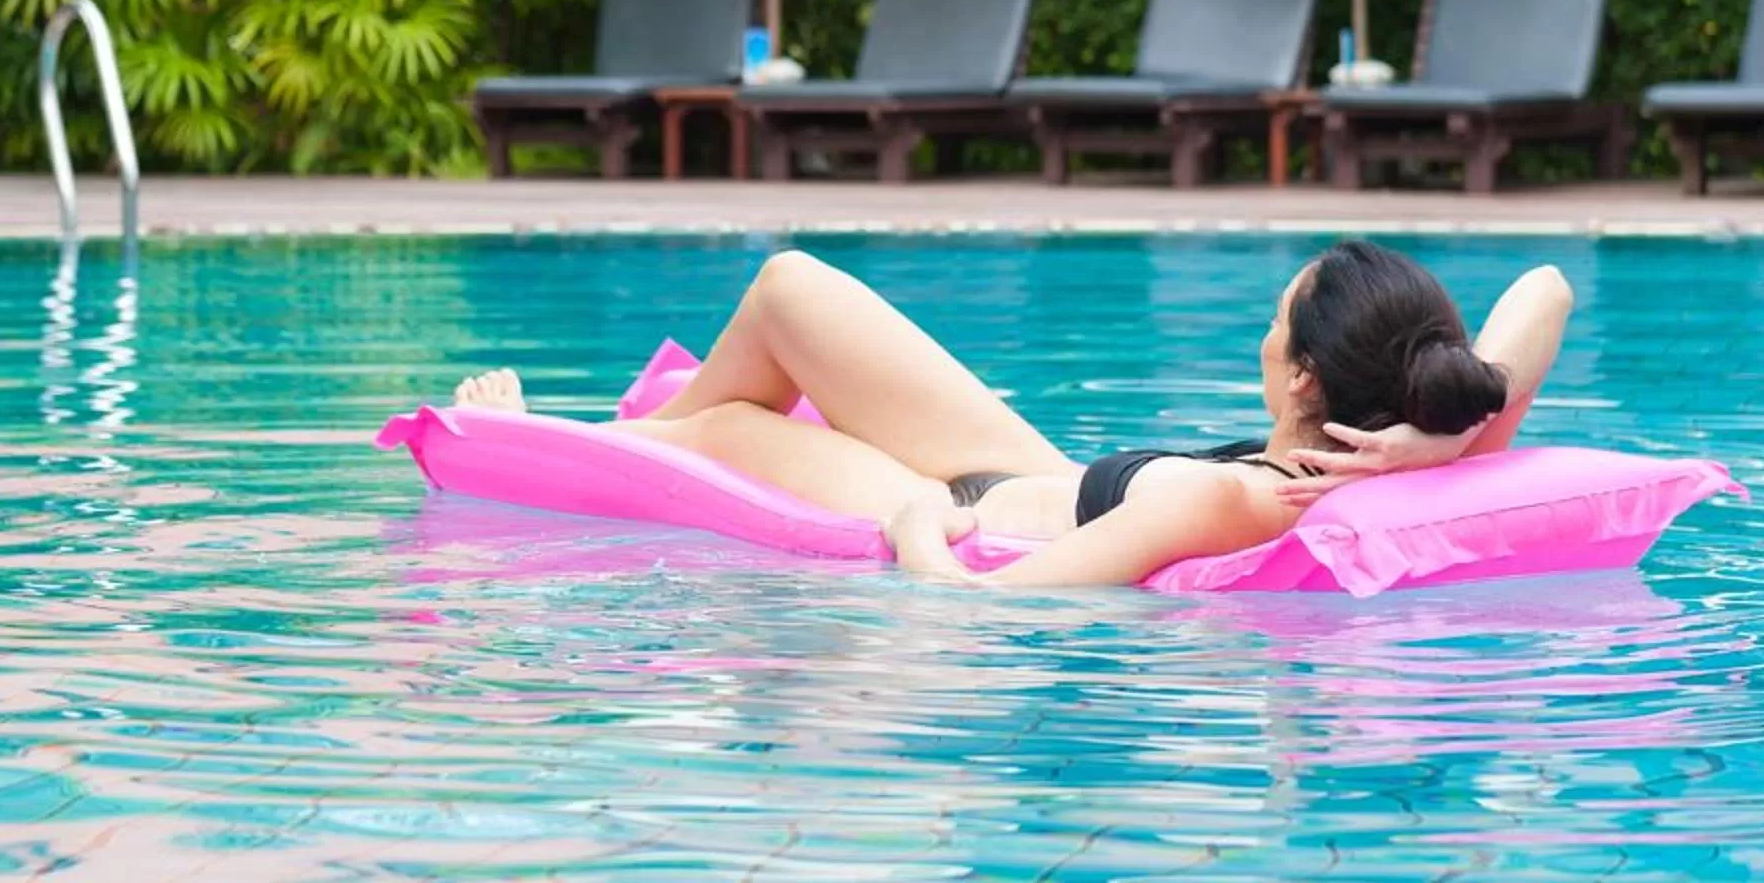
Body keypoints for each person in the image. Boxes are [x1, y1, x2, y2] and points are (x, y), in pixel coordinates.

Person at [451, 241, 1573, 589]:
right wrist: (1443, 434)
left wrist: (911, 530)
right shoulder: (1423, 444)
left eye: (1275, 320)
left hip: (954, 506)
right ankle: (658, 417)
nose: (1262, 328)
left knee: (718, 436)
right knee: (790, 284)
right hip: (1029, 464)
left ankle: (558, 434)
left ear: (1303, 380)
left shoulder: (1224, 491)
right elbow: (1550, 286)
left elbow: (985, 613)